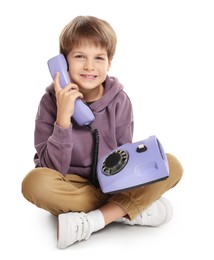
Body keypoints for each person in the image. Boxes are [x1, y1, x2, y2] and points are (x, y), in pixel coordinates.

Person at [21, 15, 183, 249]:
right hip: (72, 183)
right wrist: (63, 119)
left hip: (111, 181)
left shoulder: (120, 101)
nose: (89, 66)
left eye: (99, 58)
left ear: (109, 62)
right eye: (79, 57)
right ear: (63, 64)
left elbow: (122, 157)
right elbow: (50, 167)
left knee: (170, 164)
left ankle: (94, 220)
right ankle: (126, 209)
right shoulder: (49, 102)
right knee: (34, 183)